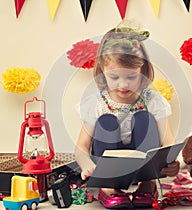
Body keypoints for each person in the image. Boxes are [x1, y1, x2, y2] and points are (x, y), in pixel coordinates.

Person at [74, 22, 180, 209]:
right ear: (102, 71)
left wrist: (171, 162)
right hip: (108, 166)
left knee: (143, 118)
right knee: (107, 122)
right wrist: (87, 165)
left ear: (143, 71)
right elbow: (81, 147)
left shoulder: (152, 100)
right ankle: (108, 189)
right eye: (114, 77)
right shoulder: (96, 103)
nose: (123, 85)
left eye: (131, 77)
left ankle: (147, 185)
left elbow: (168, 141)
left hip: (143, 166)